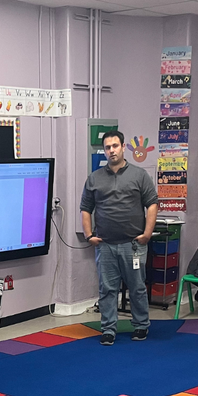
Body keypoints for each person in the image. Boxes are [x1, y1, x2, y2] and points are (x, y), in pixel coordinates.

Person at [80, 130, 159, 346]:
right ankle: (108, 329)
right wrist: (89, 236)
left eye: (115, 146)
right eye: (107, 147)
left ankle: (141, 326)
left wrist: (147, 233)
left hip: (133, 244)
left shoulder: (139, 175)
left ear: (123, 147)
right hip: (105, 245)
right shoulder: (94, 178)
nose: (111, 150)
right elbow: (85, 208)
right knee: (107, 289)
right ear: (104, 151)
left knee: (137, 287)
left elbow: (152, 203)